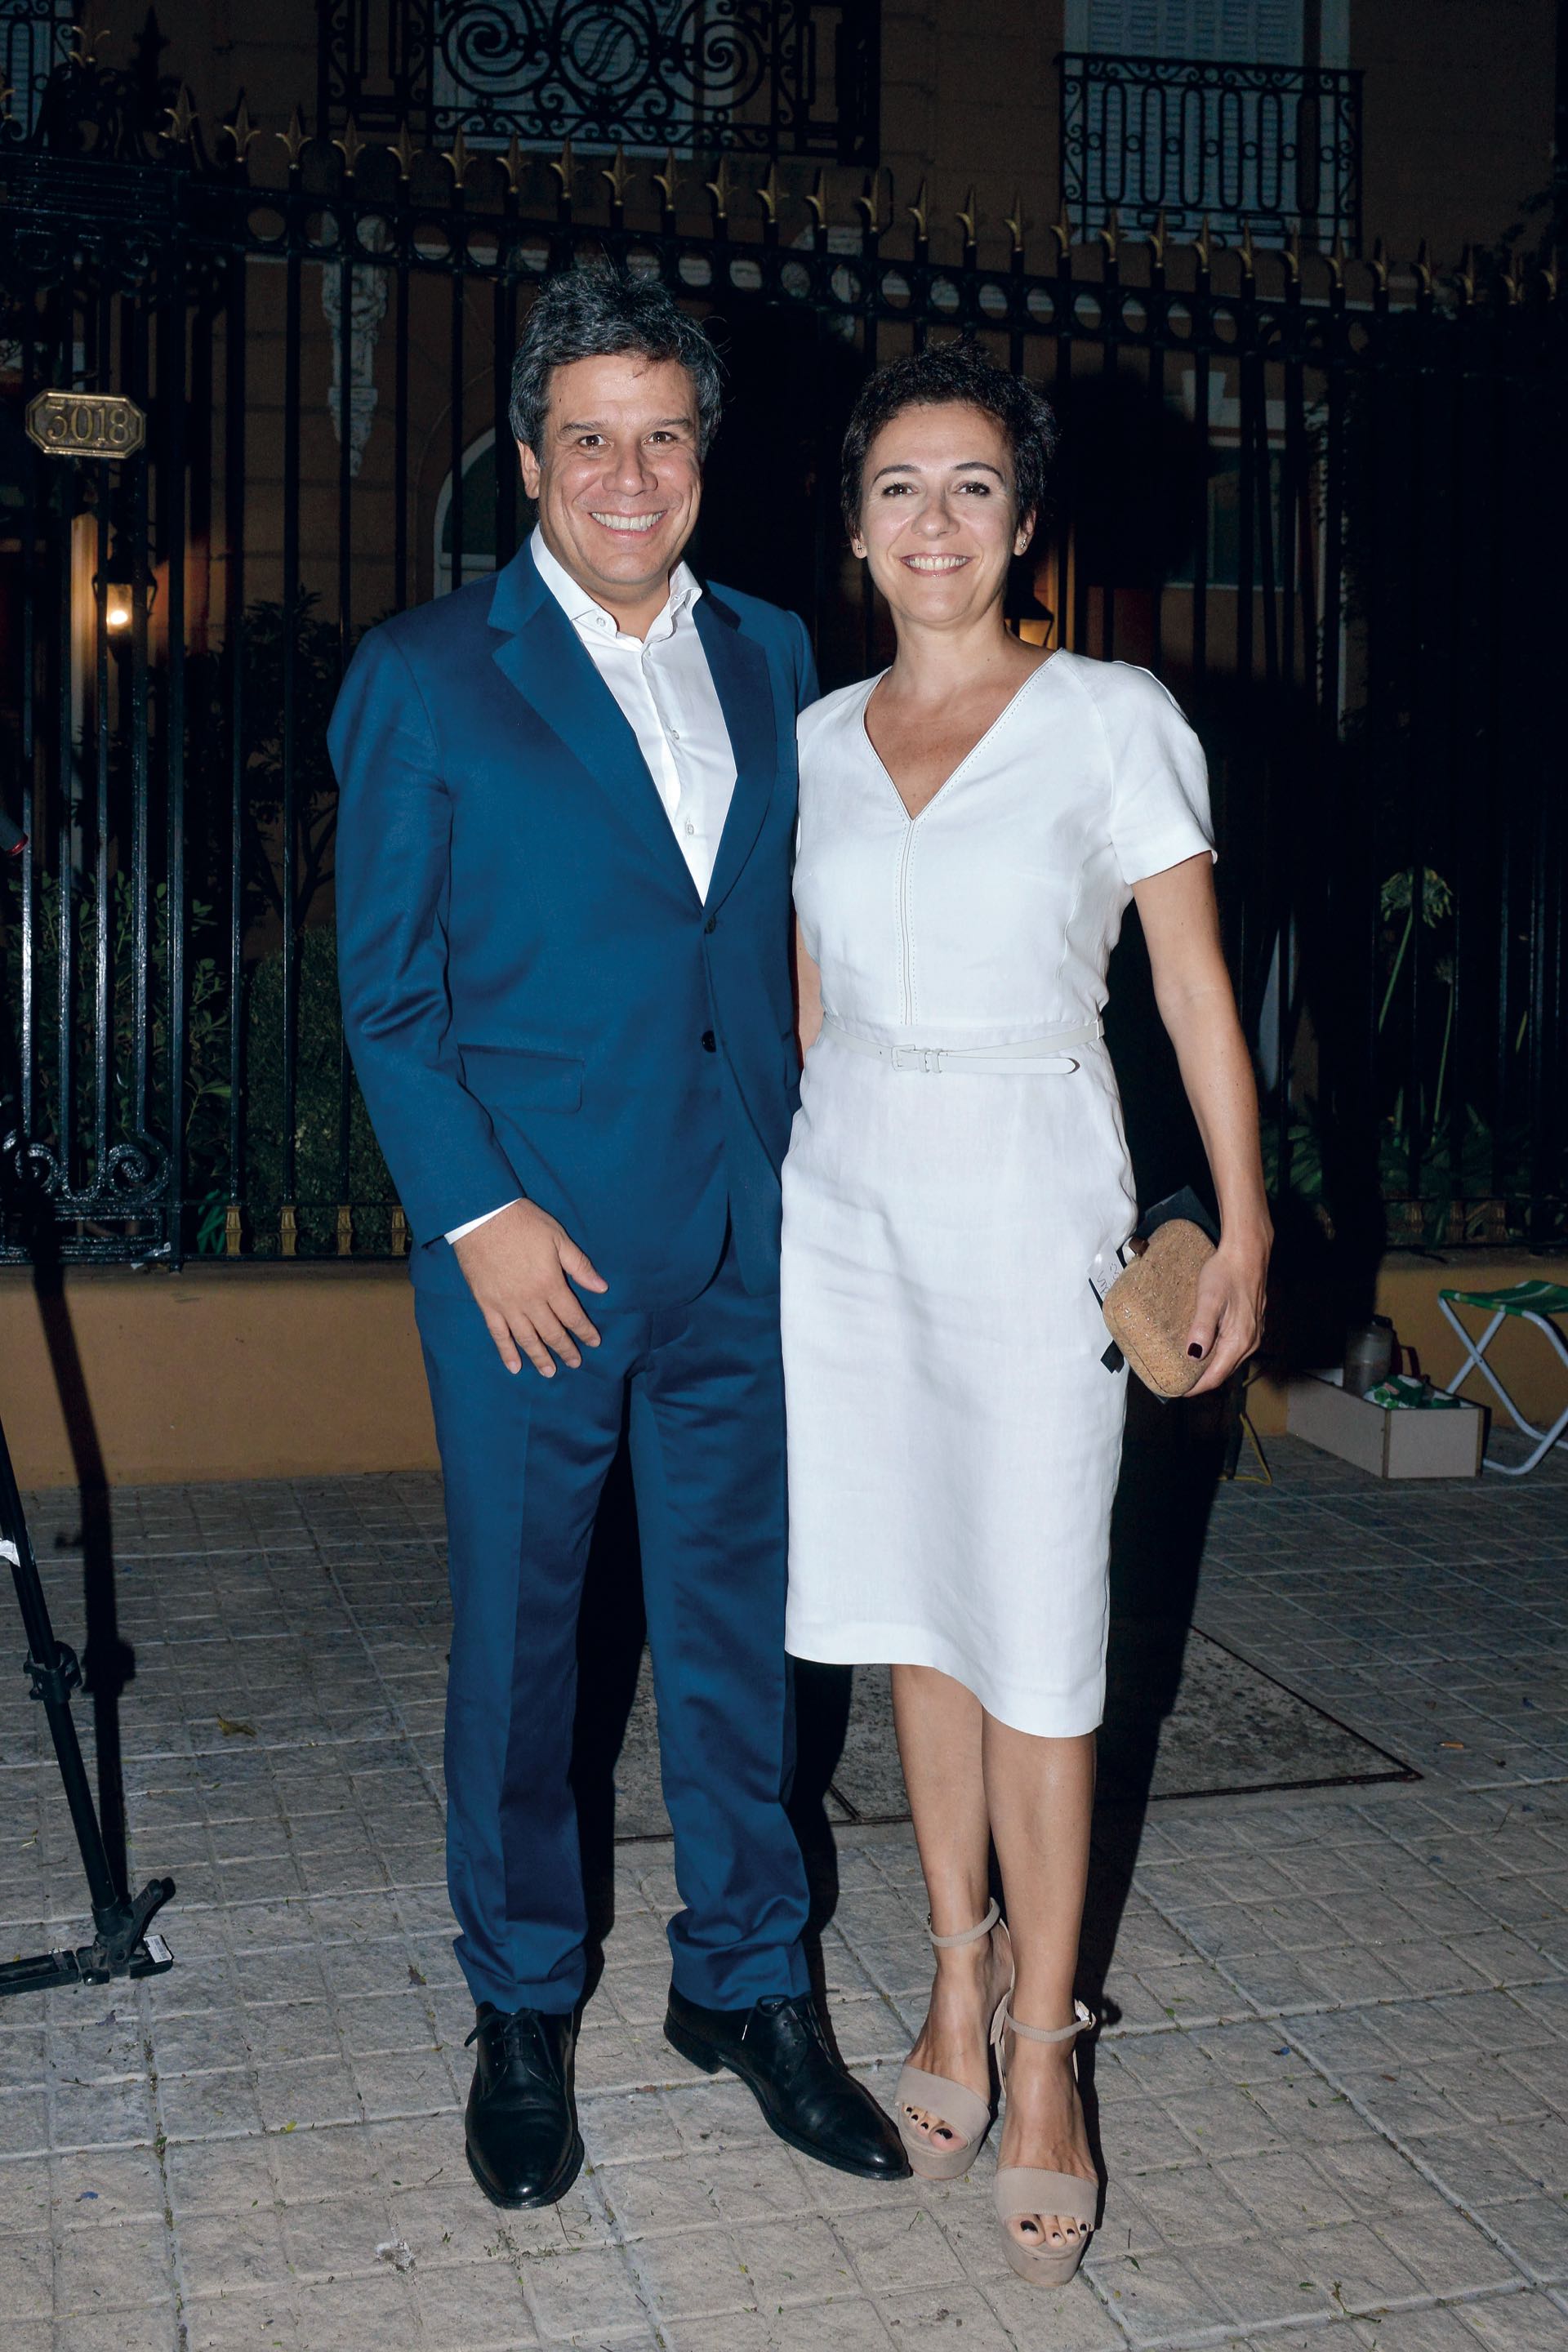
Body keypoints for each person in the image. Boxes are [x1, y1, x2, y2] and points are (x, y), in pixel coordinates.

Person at [329, 265, 906, 2210]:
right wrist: (478, 1215)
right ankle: (518, 2002)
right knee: (527, 1648)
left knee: (746, 1637)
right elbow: (390, 999)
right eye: (591, 435)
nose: (629, 469)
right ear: (529, 460)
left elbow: (772, 941)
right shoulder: (424, 674)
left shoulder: (767, 645)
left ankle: (747, 1986)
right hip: (535, 1262)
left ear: (705, 456)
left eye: (663, 433)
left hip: (750, 1238)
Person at [782, 343, 1271, 2286]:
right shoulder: (814, 740)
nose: (935, 520)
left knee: (1045, 1638)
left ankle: (1048, 2049)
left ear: (1025, 520)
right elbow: (813, 992)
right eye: (901, 485)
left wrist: (1238, 1225)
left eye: (973, 484)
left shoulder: (1108, 719)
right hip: (857, 1202)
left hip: (1033, 1185)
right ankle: (953, 1970)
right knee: (917, 1608)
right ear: (851, 529)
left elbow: (1193, 992)